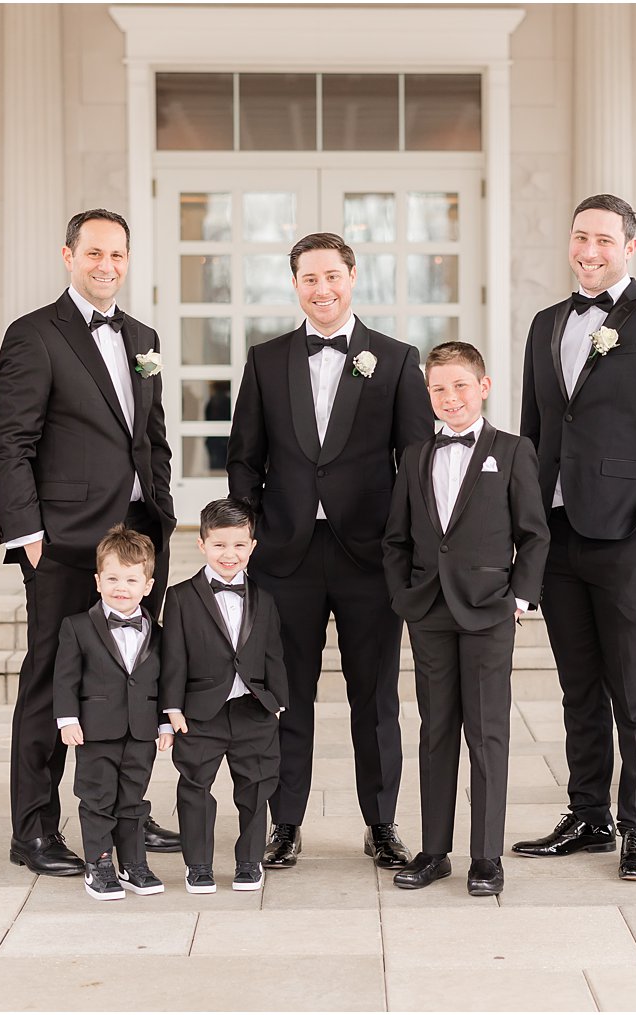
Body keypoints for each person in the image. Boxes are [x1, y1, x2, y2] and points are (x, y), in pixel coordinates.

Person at [227, 232, 434, 869]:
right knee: (285, 694)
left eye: (332, 277)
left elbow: (417, 464)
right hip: (285, 556)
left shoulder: (396, 360)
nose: (321, 290)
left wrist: (405, 548)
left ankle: (381, 822)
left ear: (352, 277)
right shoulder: (265, 360)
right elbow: (245, 459)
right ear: (295, 285)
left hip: (369, 557)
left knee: (376, 697)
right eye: (309, 279)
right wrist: (252, 538)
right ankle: (284, 823)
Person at [0, 209, 180, 877]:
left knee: (132, 678)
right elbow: (10, 442)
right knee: (51, 681)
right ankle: (34, 828)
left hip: (136, 540)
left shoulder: (143, 335)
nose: (107, 264)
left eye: (118, 254)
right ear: (67, 255)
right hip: (64, 544)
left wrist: (163, 510)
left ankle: (125, 806)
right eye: (94, 252)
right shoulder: (34, 335)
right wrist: (29, 535)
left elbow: (149, 435)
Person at [514, 194, 636, 880]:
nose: (589, 250)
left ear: (629, 247)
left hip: (628, 536)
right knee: (577, 685)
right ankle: (588, 813)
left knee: (634, 687)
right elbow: (533, 432)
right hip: (557, 534)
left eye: (603, 239)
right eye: (579, 237)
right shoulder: (544, 323)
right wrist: (525, 526)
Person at [383, 342, 549, 897]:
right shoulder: (415, 455)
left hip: (489, 611)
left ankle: (486, 855)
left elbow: (534, 534)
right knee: (435, 733)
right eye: (438, 389)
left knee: (487, 735)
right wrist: (405, 598)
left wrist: (518, 600)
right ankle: (434, 850)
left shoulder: (513, 449)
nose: (449, 397)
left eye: (459, 385)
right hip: (429, 610)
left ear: (484, 386)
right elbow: (397, 538)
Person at [160, 498, 289, 894]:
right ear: (201, 544)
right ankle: (198, 865)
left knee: (256, 787)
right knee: (195, 786)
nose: (228, 554)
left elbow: (272, 653)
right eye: (218, 545)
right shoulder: (180, 596)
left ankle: (249, 861)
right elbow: (173, 657)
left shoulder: (264, 598)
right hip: (200, 712)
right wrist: (170, 709)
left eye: (238, 545)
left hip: (253, 709)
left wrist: (277, 701)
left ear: (252, 546)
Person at [53, 526, 172, 901]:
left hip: (141, 732)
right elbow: (65, 678)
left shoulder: (159, 632)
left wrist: (166, 721)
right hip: (95, 731)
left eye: (131, 579)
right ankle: (99, 864)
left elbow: (165, 681)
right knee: (98, 798)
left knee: (134, 801)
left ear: (148, 585)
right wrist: (67, 719)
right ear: (98, 580)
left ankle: (133, 863)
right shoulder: (77, 627)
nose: (122, 587)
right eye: (113, 578)